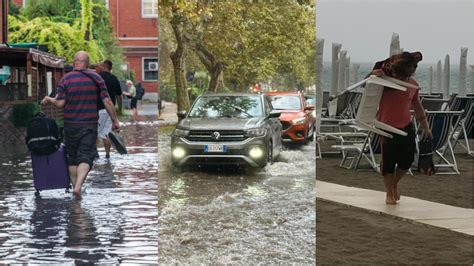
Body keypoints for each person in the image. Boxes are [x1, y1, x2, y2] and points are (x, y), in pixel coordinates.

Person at [41, 51, 120, 199]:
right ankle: (78, 187)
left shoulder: (66, 79)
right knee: (86, 155)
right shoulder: (97, 78)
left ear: (74, 61)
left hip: (70, 124)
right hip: (89, 124)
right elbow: (107, 101)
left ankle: (75, 189)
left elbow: (60, 103)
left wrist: (49, 99)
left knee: (72, 157)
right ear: (88, 63)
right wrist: (115, 121)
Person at [370, 51, 432, 205]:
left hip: (406, 126)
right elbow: (367, 85)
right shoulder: (385, 82)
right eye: (412, 66)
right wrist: (373, 75)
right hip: (386, 127)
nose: (414, 69)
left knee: (407, 161)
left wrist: (426, 127)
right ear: (403, 67)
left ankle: (394, 184)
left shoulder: (413, 85)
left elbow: (418, 107)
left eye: (415, 66)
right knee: (388, 163)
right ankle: (389, 193)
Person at [97, 60, 123, 159]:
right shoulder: (114, 78)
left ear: (104, 66)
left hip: (96, 109)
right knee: (106, 133)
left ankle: (95, 155)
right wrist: (119, 109)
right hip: (108, 110)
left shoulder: (97, 77)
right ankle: (107, 154)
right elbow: (119, 96)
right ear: (110, 68)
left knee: (95, 133)